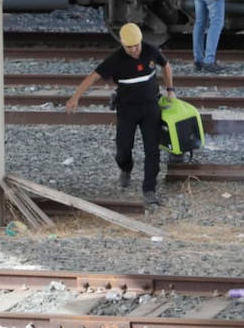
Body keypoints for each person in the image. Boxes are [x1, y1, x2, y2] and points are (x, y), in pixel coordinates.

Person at [65, 22, 175, 207]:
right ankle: (126, 168)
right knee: (123, 149)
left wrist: (170, 89)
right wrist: (75, 97)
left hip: (150, 108)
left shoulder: (151, 50)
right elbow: (93, 76)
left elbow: (166, 65)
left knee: (152, 151)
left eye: (136, 45)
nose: (133, 50)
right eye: (128, 47)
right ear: (123, 45)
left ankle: (149, 190)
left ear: (141, 41)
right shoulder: (115, 59)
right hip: (127, 109)